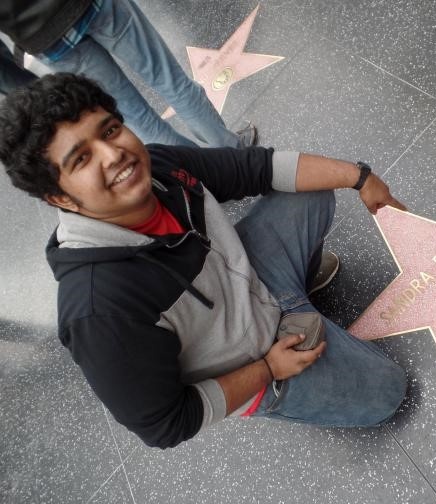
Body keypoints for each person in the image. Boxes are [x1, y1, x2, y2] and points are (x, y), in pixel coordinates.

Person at [0, 74, 408, 449]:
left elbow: (256, 167)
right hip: (252, 357)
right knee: (389, 394)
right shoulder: (99, 309)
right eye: (81, 159)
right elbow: (165, 424)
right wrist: (267, 369)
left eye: (109, 130)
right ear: (59, 198)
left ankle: (295, 285)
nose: (115, 154)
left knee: (313, 188)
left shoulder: (158, 167)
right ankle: (281, 383)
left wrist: (360, 177)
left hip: (250, 279)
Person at [0, 0, 255, 148]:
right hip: (91, 4)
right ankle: (234, 152)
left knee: (136, 119)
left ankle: (207, 176)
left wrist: (22, 86)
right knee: (171, 82)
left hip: (44, 38)